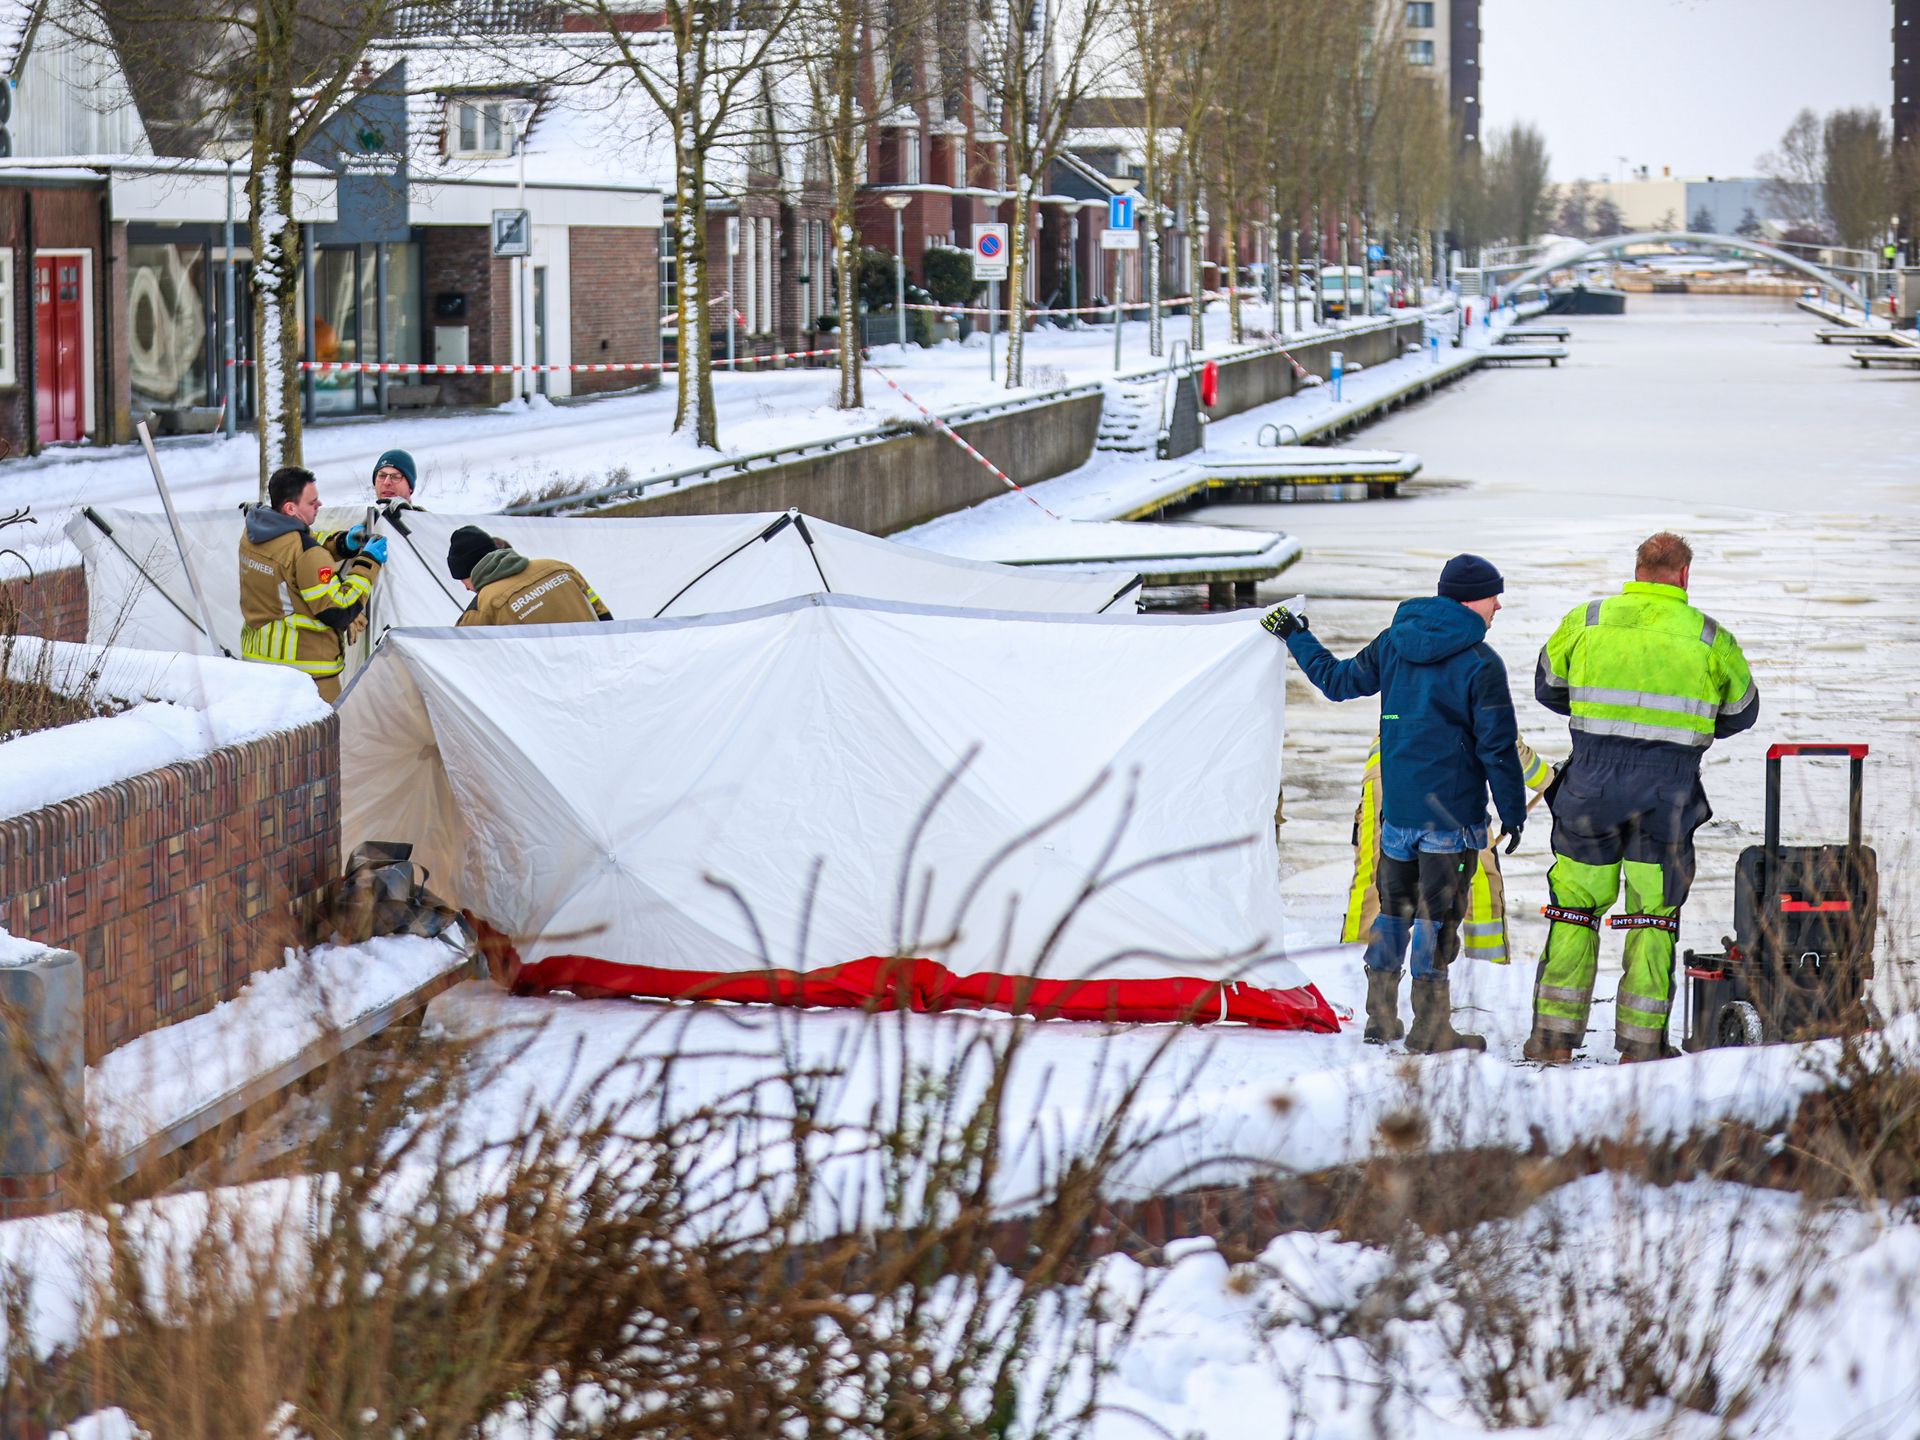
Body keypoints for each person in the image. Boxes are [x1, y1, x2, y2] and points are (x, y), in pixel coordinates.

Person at [1266, 554, 1527, 1053]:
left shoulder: (1395, 643)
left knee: (1392, 913)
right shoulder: (1480, 662)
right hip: (1451, 819)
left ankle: (1380, 1020)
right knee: (1437, 918)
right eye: (1495, 595)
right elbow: (1497, 747)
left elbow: (1338, 682)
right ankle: (1431, 1028)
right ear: (1473, 598)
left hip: (1398, 815)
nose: (1498, 605)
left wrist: (1296, 634)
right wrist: (1512, 812)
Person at [1528, 532, 1758, 1065]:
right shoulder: (1708, 637)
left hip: (1589, 790)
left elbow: (1547, 686)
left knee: (1575, 912)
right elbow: (1742, 711)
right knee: (1653, 918)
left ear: (1637, 570)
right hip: (1667, 797)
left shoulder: (1587, 620)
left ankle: (1554, 1042)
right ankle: (1640, 1046)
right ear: (1684, 575)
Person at [1344, 734, 1555, 966]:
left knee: (1374, 875)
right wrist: (1555, 780)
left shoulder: (1398, 695)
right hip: (1447, 780)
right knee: (1480, 876)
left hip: (1386, 773)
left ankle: (1352, 968)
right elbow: (1502, 742)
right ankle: (1488, 969)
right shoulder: (1478, 697)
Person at [239, 466, 385, 702]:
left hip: (258, 662)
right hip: (307, 674)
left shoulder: (252, 536)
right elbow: (340, 609)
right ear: (290, 508)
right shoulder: (308, 555)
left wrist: (341, 544)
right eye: (312, 502)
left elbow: (295, 551)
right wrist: (368, 562)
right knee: (323, 738)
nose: (320, 505)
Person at [446, 525, 613, 626]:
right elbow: (604, 615)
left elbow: (458, 656)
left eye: (462, 579)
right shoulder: (560, 567)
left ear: (473, 570)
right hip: (599, 670)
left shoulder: (483, 606)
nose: (466, 588)